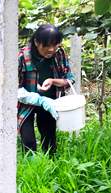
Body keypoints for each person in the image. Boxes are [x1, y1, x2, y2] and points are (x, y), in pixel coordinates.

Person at [17, 24, 75, 154]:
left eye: (55, 45)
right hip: (26, 104)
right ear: (37, 42)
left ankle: (51, 167)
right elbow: (14, 89)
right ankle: (31, 168)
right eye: (47, 46)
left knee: (49, 140)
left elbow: (69, 79)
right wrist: (39, 99)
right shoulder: (22, 56)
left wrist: (53, 81)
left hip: (51, 102)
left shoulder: (59, 54)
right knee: (28, 140)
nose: (51, 49)